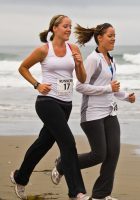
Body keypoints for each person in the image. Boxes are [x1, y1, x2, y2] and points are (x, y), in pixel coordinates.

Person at [51, 23, 136, 200]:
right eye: (110, 36)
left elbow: (113, 88)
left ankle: (100, 195)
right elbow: (80, 86)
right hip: (92, 115)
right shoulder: (93, 59)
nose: (113, 39)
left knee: (113, 154)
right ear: (100, 38)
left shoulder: (111, 60)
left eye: (115, 36)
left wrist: (127, 96)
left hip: (110, 113)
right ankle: (62, 164)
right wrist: (107, 88)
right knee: (99, 155)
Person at [10, 14, 90, 200]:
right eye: (65, 26)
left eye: (70, 26)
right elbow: (23, 68)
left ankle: (20, 177)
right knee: (68, 143)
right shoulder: (44, 50)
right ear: (54, 28)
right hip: (47, 102)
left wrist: (79, 63)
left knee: (44, 143)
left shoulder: (74, 49)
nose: (69, 29)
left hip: (66, 104)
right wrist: (37, 85)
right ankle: (77, 192)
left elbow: (82, 78)